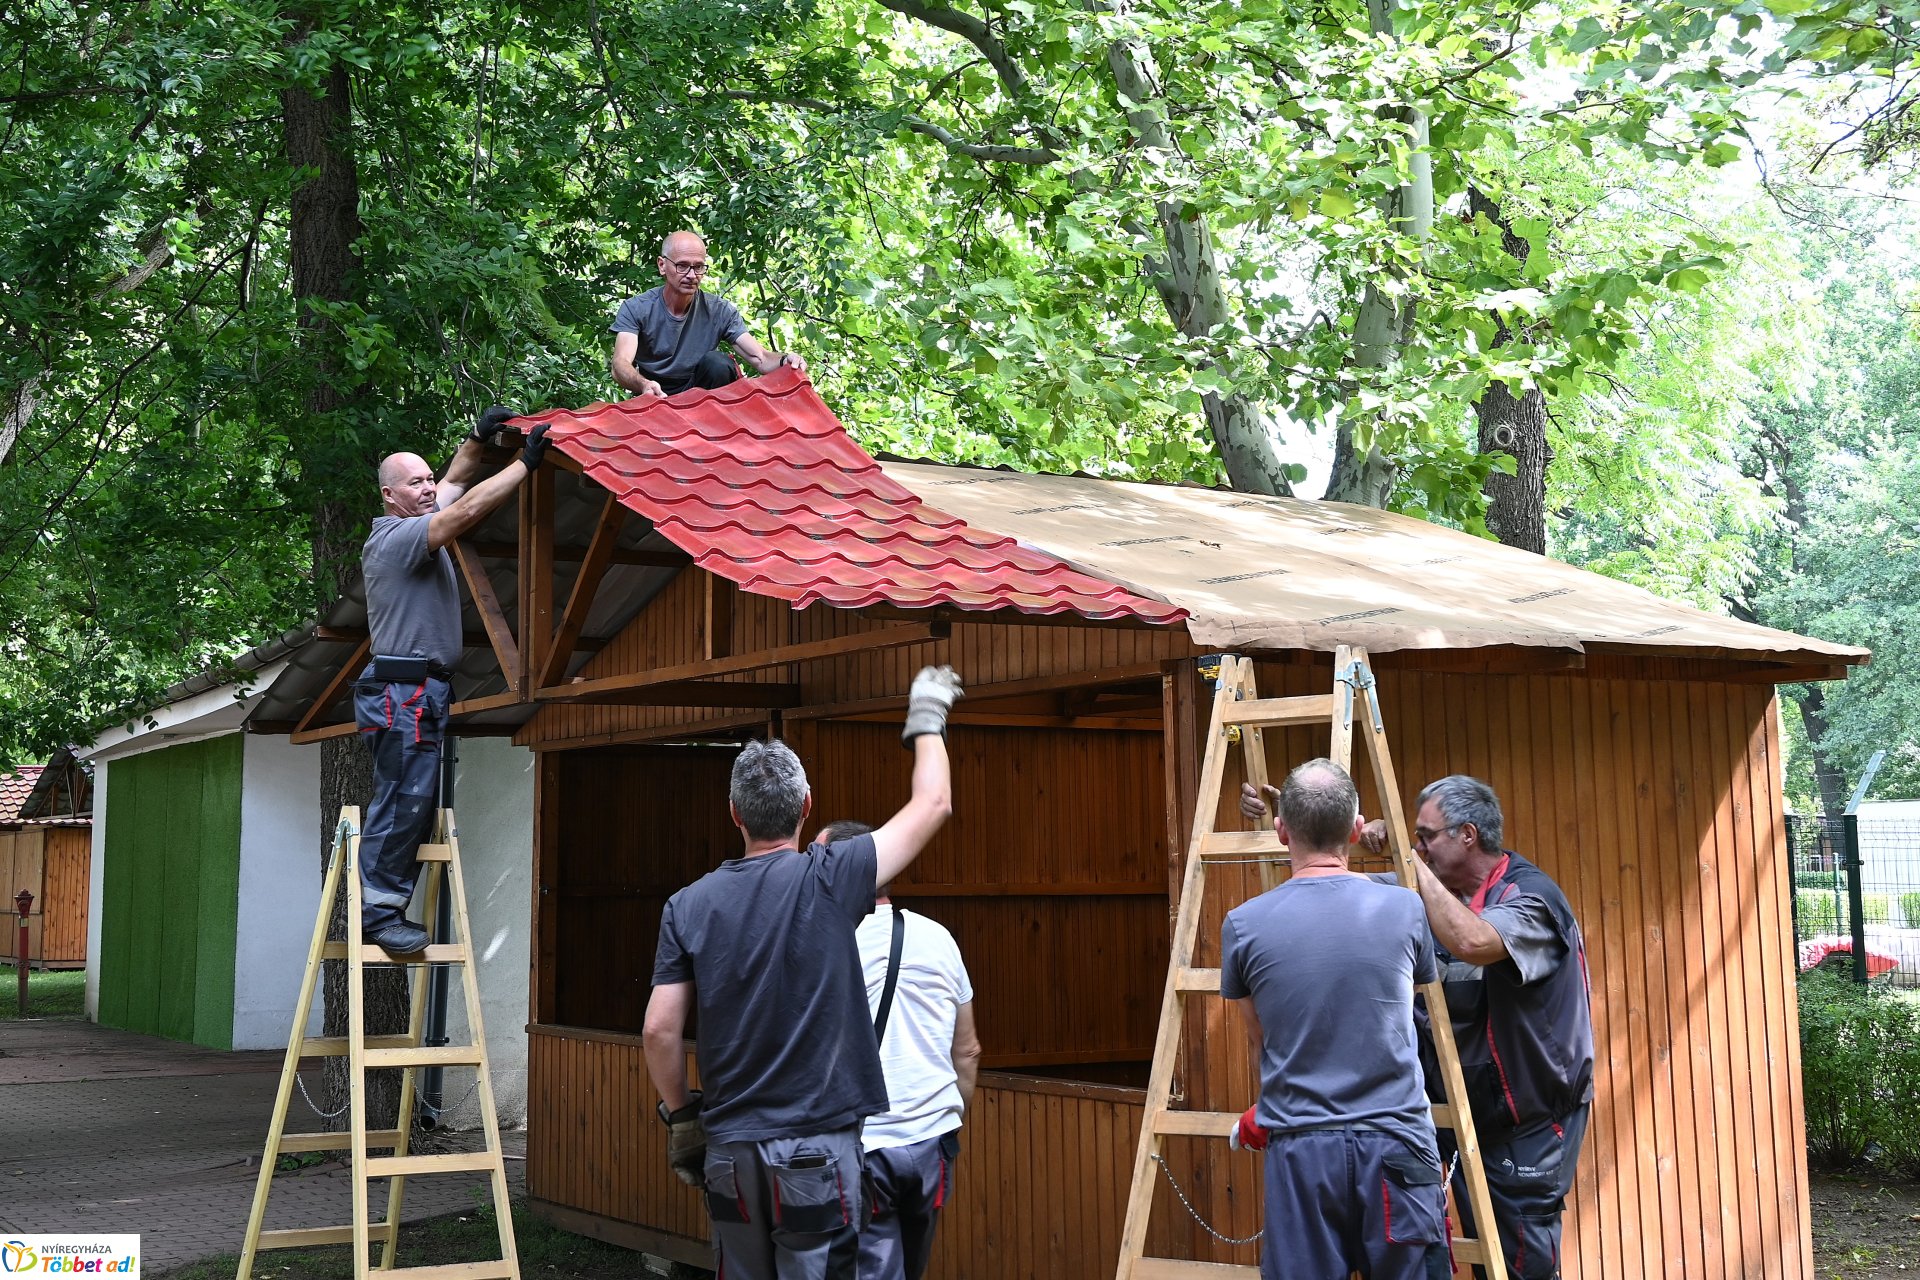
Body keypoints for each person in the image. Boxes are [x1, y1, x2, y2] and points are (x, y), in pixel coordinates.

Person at [642, 667, 964, 1280]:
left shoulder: (687, 905)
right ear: (807, 807)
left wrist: (684, 1119)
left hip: (732, 1150)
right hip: (819, 1152)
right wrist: (926, 715)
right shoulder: (832, 875)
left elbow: (660, 1030)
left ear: (733, 812)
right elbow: (934, 804)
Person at [1359, 776, 1595, 1280]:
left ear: (1468, 834)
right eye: (1413, 838)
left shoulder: (1532, 899)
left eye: (1425, 836)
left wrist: (1406, 860)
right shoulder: (1436, 892)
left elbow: (1472, 941)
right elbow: (1338, 888)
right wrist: (1304, 830)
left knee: (1519, 1265)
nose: (1418, 846)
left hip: (1529, 1125)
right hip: (1456, 1118)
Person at [1222, 759, 1447, 1280]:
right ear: (1354, 828)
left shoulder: (1243, 926)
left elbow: (1260, 1040)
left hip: (1303, 1149)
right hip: (1397, 1143)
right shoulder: (1405, 908)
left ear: (1280, 831)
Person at [355, 409, 549, 954]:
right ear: (390, 496)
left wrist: (476, 440)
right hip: (402, 692)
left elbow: (456, 482)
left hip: (420, 690)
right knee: (403, 799)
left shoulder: (420, 514)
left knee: (412, 797)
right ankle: (377, 916)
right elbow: (460, 510)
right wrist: (521, 467)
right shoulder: (395, 538)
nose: (427, 488)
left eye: (427, 478)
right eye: (415, 482)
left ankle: (383, 907)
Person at [815, 819, 982, 1280]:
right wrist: (944, 1120)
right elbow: (967, 1051)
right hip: (934, 1146)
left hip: (865, 1147)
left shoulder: (828, 944)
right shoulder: (941, 938)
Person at [609, 230, 806, 398]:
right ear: (662, 265)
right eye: (682, 266)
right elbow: (620, 364)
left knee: (718, 363)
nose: (692, 275)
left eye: (698, 267)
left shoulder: (719, 310)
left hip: (702, 394)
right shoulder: (636, 308)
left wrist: (785, 360)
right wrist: (643, 384)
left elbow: (761, 358)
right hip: (653, 393)